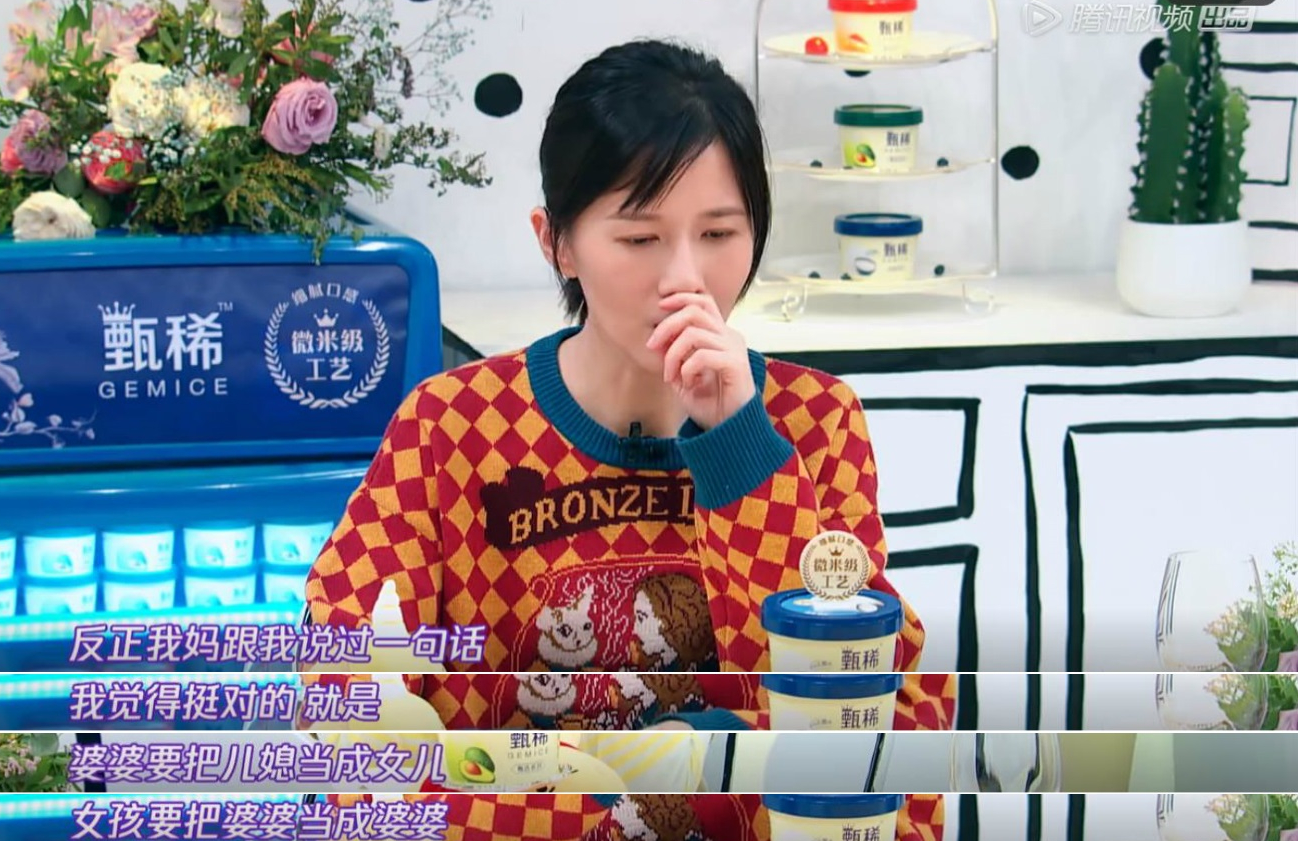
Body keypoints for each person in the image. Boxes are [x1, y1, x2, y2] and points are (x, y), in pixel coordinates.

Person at [306, 38, 955, 730]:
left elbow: (879, 709)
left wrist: (740, 443)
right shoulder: (451, 425)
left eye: (718, 234)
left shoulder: (814, 420)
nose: (685, 279)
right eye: (641, 240)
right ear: (556, 243)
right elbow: (341, 675)